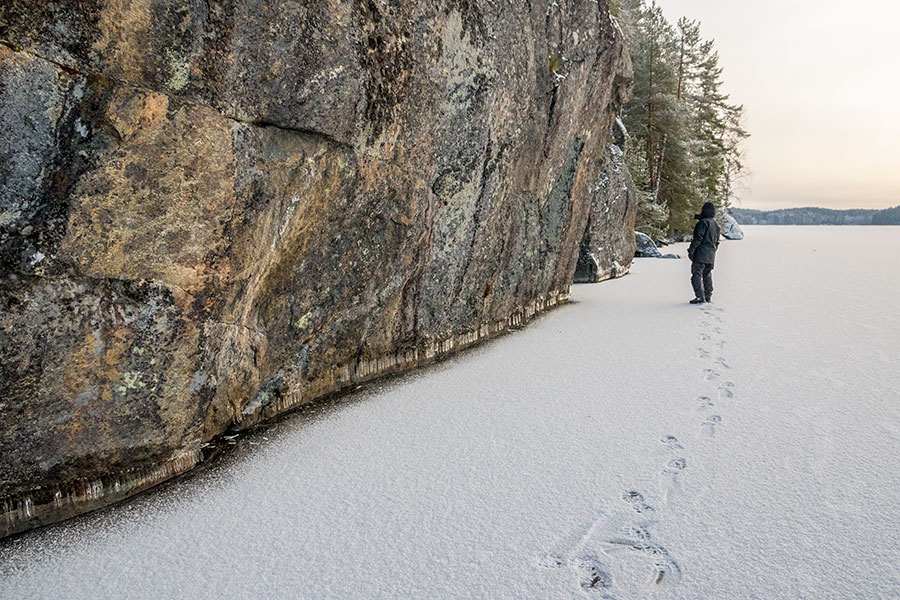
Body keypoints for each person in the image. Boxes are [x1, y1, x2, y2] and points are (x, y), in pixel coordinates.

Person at [687, 202, 721, 304]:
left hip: (701, 253)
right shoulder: (716, 225)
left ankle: (699, 296)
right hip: (711, 254)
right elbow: (717, 242)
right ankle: (708, 296)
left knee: (696, 275)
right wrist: (713, 251)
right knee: (707, 275)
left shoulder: (702, 223)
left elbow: (698, 239)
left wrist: (691, 250)